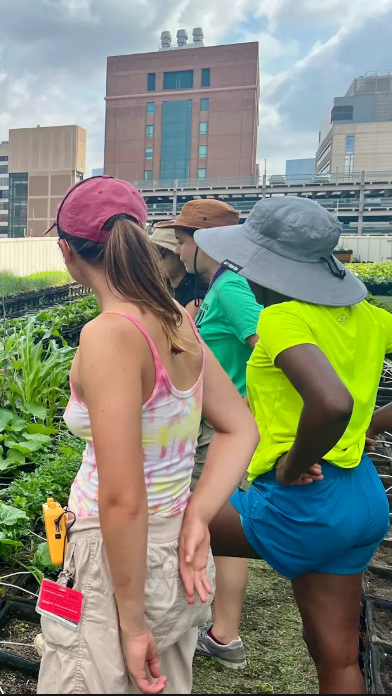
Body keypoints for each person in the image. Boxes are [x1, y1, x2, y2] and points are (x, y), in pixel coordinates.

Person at [35, 175, 260, 695]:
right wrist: (197, 514)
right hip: (172, 543)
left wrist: (132, 625)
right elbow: (239, 426)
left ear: (67, 251)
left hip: (114, 557)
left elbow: (122, 499)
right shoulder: (178, 323)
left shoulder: (110, 334)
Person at [181, 196, 391, 694]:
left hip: (306, 501)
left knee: (161, 526)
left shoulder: (283, 320)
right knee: (336, 658)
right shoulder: (370, 317)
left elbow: (331, 402)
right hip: (361, 499)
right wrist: (371, 428)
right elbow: (341, 408)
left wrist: (296, 462)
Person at [160, 199, 260, 669]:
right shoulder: (216, 289)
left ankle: (223, 634)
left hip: (222, 431)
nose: (178, 251)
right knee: (218, 527)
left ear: (205, 242)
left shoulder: (232, 289)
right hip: (216, 426)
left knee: (218, 528)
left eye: (181, 240)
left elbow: (270, 347)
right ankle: (220, 632)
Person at [149, 227, 204, 309]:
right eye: (151, 254)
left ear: (179, 255)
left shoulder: (194, 298)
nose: (154, 261)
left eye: (161, 254)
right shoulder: (161, 288)